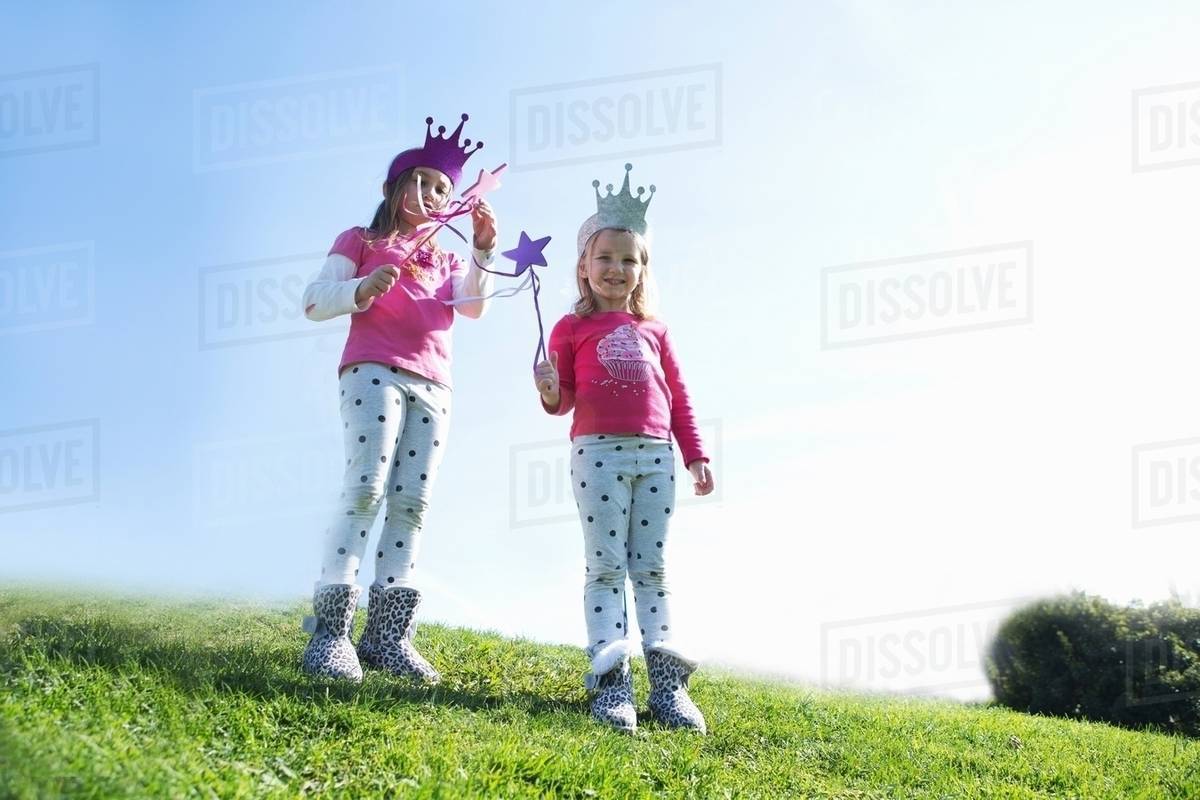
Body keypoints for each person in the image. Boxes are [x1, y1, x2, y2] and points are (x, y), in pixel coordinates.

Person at [299, 114, 498, 683]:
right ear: (393, 188)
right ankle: (331, 631)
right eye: (421, 181)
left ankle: (387, 639)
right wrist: (360, 289)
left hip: (435, 385)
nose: (432, 194)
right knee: (366, 486)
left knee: (412, 502)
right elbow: (315, 300)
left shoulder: (452, 255)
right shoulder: (359, 241)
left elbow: (474, 306)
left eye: (443, 189)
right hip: (373, 372)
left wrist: (483, 250)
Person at [534, 164, 714, 733]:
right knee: (606, 567)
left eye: (628, 260)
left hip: (656, 455)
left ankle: (668, 689)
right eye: (605, 258)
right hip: (598, 455)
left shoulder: (656, 331)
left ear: (642, 270)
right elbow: (561, 402)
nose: (616, 269)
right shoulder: (568, 327)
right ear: (584, 267)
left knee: (653, 568)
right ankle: (613, 685)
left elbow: (678, 395)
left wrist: (695, 453)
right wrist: (547, 388)